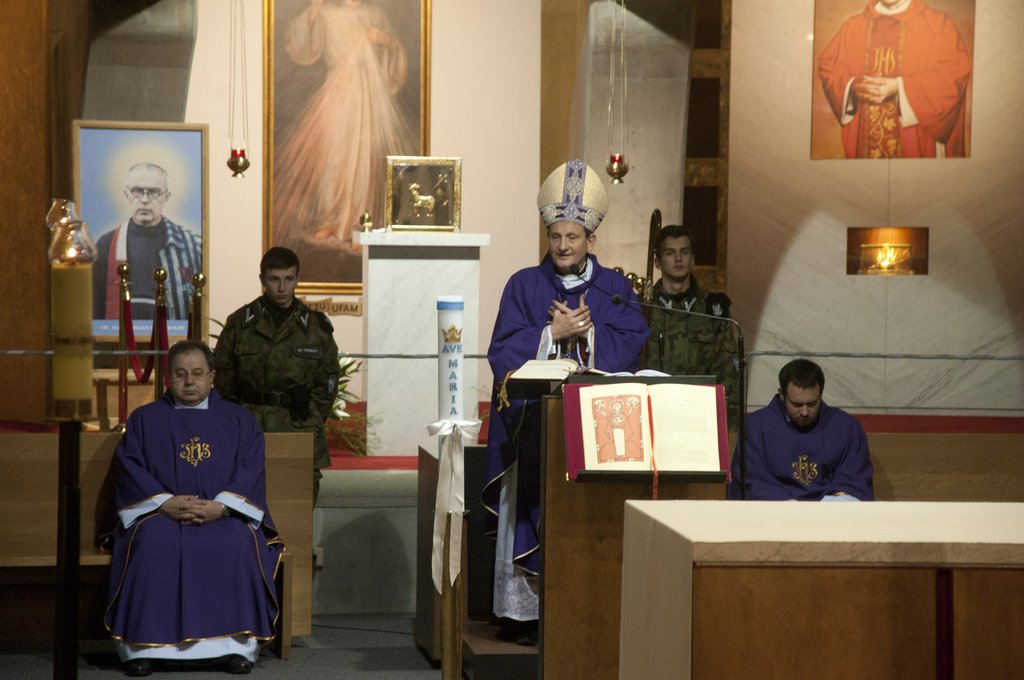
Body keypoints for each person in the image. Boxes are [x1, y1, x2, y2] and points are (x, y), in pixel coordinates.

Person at [483, 159, 650, 644]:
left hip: (596, 430)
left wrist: (589, 334)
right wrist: (551, 334)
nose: (562, 246)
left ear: (591, 240)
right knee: (530, 506)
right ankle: (526, 616)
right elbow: (501, 351)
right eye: (555, 236)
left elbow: (634, 340)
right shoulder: (523, 284)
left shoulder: (614, 289)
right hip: (534, 425)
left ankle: (582, 609)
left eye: (572, 237)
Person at [104, 340, 283, 676]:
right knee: (152, 542)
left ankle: (235, 647)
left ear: (212, 376)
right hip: (159, 516)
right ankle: (143, 648)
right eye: (181, 374)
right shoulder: (144, 419)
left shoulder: (239, 419)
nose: (189, 382)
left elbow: (251, 469)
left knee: (237, 541)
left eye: (198, 373)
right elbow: (130, 468)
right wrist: (164, 502)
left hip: (222, 515)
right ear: (168, 377)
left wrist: (223, 507)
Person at [274, 0, 414, 258]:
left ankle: (361, 225)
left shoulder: (375, 13)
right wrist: (314, 11)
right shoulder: (328, 13)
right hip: (336, 91)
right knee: (333, 155)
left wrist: (386, 41)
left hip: (367, 93)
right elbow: (301, 45)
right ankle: (331, 218)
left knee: (363, 159)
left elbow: (393, 51)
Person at [213, 247, 340, 505]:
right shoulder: (240, 324)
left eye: (289, 279)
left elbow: (328, 379)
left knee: (298, 499)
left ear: (297, 279)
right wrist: (236, 416)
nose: (282, 288)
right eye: (274, 279)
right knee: (244, 495)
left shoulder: (315, 327)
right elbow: (223, 376)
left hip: (298, 423)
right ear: (262, 279)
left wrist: (313, 413)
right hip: (249, 423)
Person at [817, 0, 972, 159]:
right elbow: (829, 67)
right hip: (864, 144)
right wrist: (852, 85)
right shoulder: (853, 26)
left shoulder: (938, 24)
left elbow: (953, 76)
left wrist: (900, 87)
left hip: (915, 142)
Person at [728, 358, 874, 501]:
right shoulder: (756, 426)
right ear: (782, 394)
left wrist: (825, 506)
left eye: (812, 404)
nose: (805, 412)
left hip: (829, 511)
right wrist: (787, 504)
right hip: (776, 510)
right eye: (797, 404)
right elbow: (752, 479)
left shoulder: (845, 427)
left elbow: (854, 479)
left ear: (821, 394)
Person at [644, 224, 738, 414]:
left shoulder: (712, 308)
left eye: (685, 252)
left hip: (701, 410)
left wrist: (728, 423)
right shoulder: (642, 308)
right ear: (658, 262)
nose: (678, 259)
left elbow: (727, 371)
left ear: (693, 259)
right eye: (670, 253)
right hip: (653, 409)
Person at [92, 162, 203, 320]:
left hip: (173, 333)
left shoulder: (192, 245)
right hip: (120, 333)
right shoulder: (106, 245)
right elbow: (95, 309)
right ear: (126, 194)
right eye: (137, 191)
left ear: (166, 197)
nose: (144, 200)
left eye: (154, 192)